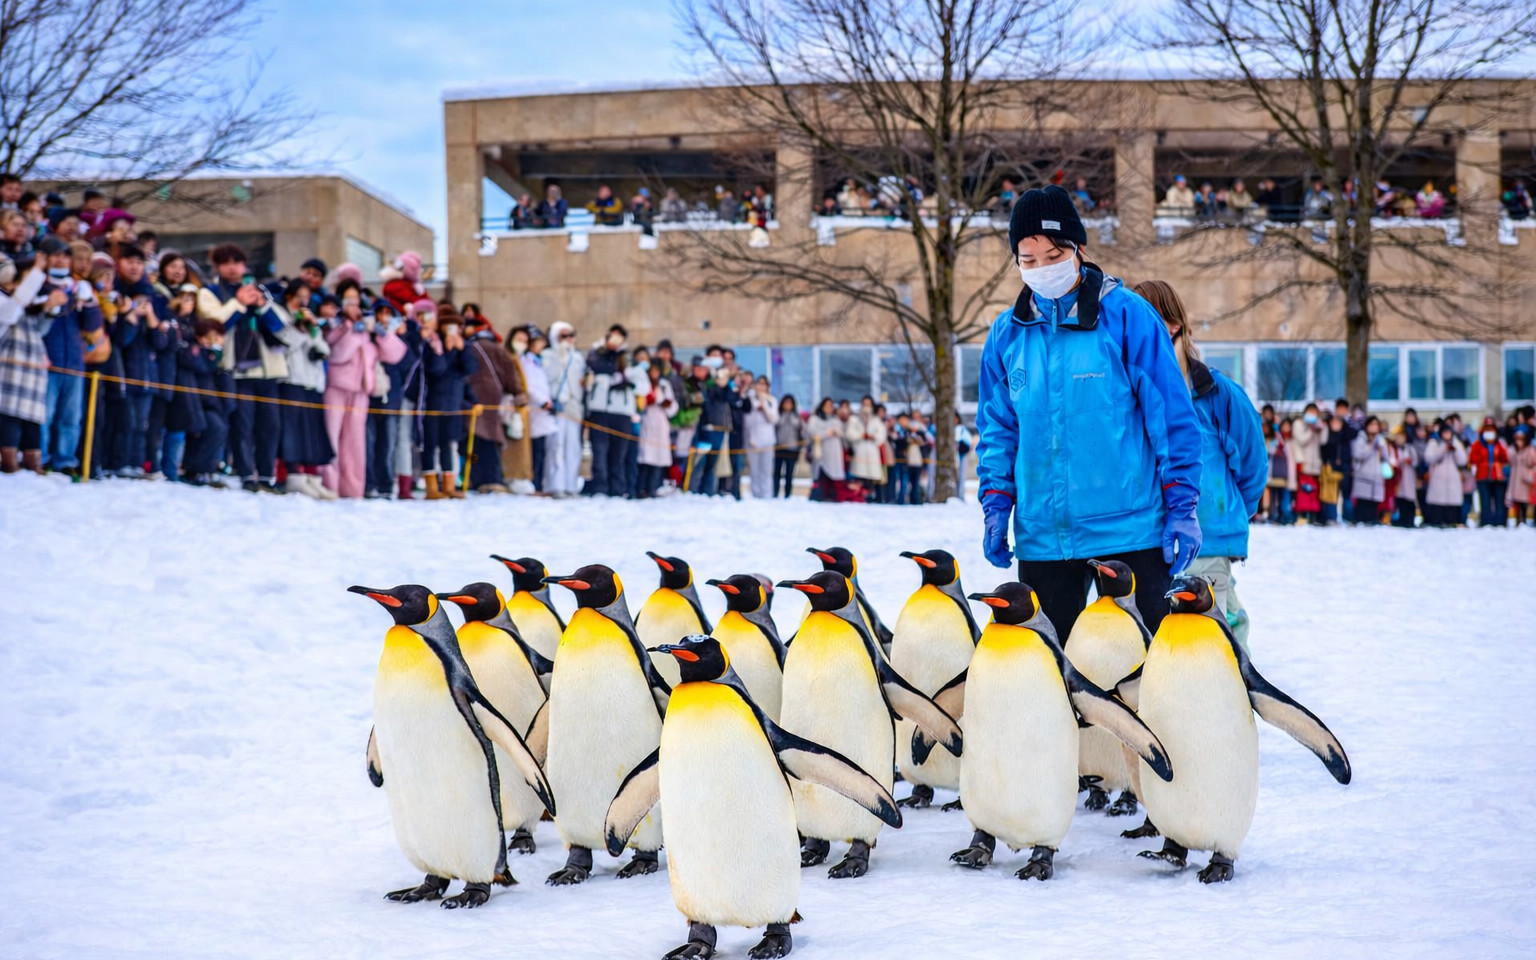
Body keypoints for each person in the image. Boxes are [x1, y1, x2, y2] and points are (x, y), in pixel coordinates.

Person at [976, 185, 1202, 639]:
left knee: (1141, 666)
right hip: (1044, 536)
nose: (1042, 268)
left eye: (1054, 255)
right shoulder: (1007, 334)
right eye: (1028, 259)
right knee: (1049, 666)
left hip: (1130, 534)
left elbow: (1171, 418)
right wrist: (996, 503)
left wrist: (1182, 505)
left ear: (1078, 249)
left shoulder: (1128, 317)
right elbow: (998, 431)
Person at [1135, 279, 1265, 648]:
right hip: (1139, 540)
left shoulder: (1215, 393)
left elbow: (1252, 465)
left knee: (1211, 648)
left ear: (1173, 326)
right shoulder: (1121, 392)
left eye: (1147, 321)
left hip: (1204, 542)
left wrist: (1222, 515)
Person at [195, 243, 287, 492]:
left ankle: (266, 476)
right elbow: (213, 325)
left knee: (271, 426)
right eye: (225, 263)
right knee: (243, 426)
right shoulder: (211, 292)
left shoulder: (260, 290)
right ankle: (247, 475)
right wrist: (238, 303)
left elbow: (282, 325)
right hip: (235, 371)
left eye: (237, 262)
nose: (232, 268)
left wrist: (262, 304)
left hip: (268, 370)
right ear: (217, 267)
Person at [322, 289, 406, 499]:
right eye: (349, 303)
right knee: (332, 437)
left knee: (355, 442)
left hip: (361, 390)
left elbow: (396, 355)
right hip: (337, 386)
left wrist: (382, 333)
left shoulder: (371, 333)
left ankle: (352, 489)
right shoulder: (339, 327)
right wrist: (353, 331)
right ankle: (329, 485)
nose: (355, 309)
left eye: (357, 304)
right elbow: (337, 354)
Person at [36, 235, 103, 474]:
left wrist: (91, 301)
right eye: (77, 259)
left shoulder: (79, 289)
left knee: (71, 418)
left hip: (74, 362)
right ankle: (41, 457)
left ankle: (65, 460)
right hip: (48, 360)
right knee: (45, 414)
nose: (82, 264)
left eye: (87, 260)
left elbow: (92, 326)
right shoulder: (41, 285)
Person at [275, 280, 335, 498]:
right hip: (292, 380)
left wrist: (312, 330)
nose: (303, 301)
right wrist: (299, 328)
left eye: (306, 296)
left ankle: (312, 477)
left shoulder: (311, 322)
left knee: (313, 432)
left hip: (313, 383)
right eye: (299, 295)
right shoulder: (283, 318)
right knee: (293, 431)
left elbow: (324, 349)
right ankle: (293, 475)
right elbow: (286, 344)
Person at [418, 302, 476, 499]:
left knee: (448, 444)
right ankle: (431, 487)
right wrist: (447, 351)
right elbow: (436, 370)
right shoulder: (434, 344)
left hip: (454, 404)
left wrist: (462, 349)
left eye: (455, 326)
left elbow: (469, 370)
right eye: (448, 325)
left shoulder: (463, 346)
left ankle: (449, 486)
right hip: (433, 402)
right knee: (430, 444)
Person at [463, 310, 526, 494]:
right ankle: (493, 477)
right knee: (491, 441)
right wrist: (518, 392)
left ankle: (479, 478)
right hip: (494, 399)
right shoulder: (498, 348)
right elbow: (510, 375)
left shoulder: (470, 347)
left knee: (475, 442)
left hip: (473, 398)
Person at [0, 256, 51, 474]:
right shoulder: (5, 301)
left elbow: (39, 330)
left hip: (31, 372)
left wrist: (50, 308)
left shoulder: (24, 303)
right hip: (9, 372)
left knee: (32, 419)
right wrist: (37, 271)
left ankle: (33, 463)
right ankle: (9, 463)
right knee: (8, 415)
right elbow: (10, 313)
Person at [580, 324, 635, 497]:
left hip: (622, 412)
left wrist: (626, 379)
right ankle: (599, 486)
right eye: (613, 335)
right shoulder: (595, 354)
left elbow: (639, 381)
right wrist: (607, 354)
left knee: (618, 454)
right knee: (599, 451)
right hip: (599, 410)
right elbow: (595, 368)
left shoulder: (627, 357)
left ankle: (617, 488)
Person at [178, 319, 234, 486]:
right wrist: (211, 356)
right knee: (212, 429)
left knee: (220, 430)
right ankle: (196, 470)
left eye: (217, 337)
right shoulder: (193, 351)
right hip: (195, 403)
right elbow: (201, 367)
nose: (213, 342)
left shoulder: (218, 355)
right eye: (210, 337)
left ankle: (209, 469)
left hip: (214, 403)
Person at [541, 321, 585, 496]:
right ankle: (555, 484)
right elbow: (547, 378)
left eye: (571, 335)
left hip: (573, 407)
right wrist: (559, 360)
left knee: (573, 447)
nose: (568, 339)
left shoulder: (578, 358)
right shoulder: (547, 355)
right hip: (556, 406)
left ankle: (571, 485)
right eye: (563, 336)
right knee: (555, 446)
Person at [513, 326, 554, 493]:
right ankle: (534, 483)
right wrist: (542, 402)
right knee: (534, 451)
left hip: (543, 411)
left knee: (541, 450)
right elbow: (529, 386)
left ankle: (539, 484)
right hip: (535, 410)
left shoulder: (537, 361)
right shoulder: (525, 361)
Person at [637, 360, 676, 497]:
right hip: (647, 421)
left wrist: (667, 404)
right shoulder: (644, 384)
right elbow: (640, 404)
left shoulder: (664, 385)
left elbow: (673, 407)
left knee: (658, 459)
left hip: (660, 423)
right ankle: (641, 488)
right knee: (645, 458)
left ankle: (653, 487)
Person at [1289, 402, 1328, 524]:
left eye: (1314, 412)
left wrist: (1323, 428)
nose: (1312, 414)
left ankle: (1312, 515)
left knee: (1314, 491)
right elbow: (1301, 440)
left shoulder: (1317, 425)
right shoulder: (1298, 423)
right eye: (1310, 411)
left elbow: (1323, 441)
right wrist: (1311, 429)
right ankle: (1302, 514)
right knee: (1303, 490)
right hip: (1303, 462)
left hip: (1315, 463)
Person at [1422, 423, 1468, 527]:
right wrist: (1443, 448)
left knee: (1452, 504)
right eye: (1445, 433)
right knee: (1438, 503)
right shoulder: (1435, 443)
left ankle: (1452, 522)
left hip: (1453, 479)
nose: (1447, 435)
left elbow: (1463, 461)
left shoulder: (1456, 443)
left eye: (1449, 433)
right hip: (1438, 478)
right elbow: (1429, 458)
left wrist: (1455, 449)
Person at [1467, 416, 1509, 527]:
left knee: (1499, 500)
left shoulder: (1499, 444)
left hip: (1497, 476)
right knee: (1485, 501)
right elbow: (1472, 459)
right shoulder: (1477, 445)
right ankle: (1486, 522)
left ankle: (1500, 522)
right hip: (1482, 476)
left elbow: (1505, 458)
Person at [743, 375, 779, 499]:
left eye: (764, 384)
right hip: (752, 439)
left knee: (766, 469)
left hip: (768, 440)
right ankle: (755, 493)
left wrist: (765, 408)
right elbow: (747, 419)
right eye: (759, 383)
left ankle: (766, 494)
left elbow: (774, 419)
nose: (761, 386)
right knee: (754, 469)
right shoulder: (750, 398)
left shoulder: (771, 400)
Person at [1349, 416, 1389, 525]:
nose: (1374, 427)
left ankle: (1373, 519)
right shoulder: (1361, 438)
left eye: (1376, 425)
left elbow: (1386, 457)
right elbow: (1358, 454)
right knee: (1363, 501)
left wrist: (1381, 448)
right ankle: (1360, 520)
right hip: (1363, 474)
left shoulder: (1381, 439)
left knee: (1374, 501)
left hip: (1376, 474)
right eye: (1372, 424)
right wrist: (1371, 446)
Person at [845, 395, 886, 500]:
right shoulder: (854, 419)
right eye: (864, 404)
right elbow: (849, 434)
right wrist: (861, 435)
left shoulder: (876, 420)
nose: (866, 407)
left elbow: (881, 436)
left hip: (872, 453)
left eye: (868, 404)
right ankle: (859, 497)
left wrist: (873, 437)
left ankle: (871, 497)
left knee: (871, 479)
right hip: (859, 452)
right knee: (859, 478)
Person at [805, 396, 846, 501]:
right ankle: (819, 495)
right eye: (826, 405)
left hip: (834, 452)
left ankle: (833, 495)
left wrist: (836, 432)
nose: (829, 408)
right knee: (820, 474)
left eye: (830, 405)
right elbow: (812, 432)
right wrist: (827, 433)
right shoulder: (815, 419)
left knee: (834, 475)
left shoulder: (835, 419)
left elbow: (842, 432)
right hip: (820, 451)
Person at [773, 394, 805, 497]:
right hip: (779, 447)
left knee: (789, 473)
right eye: (785, 403)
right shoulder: (778, 415)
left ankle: (787, 494)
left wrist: (791, 416)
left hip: (792, 449)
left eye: (789, 403)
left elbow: (800, 428)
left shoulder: (797, 417)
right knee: (777, 472)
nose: (787, 405)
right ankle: (775, 492)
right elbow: (777, 424)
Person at [1389, 428, 1419, 527]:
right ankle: (1401, 519)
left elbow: (1415, 462)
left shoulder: (1410, 448)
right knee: (1400, 499)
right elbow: (1392, 461)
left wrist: (1410, 461)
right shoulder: (1393, 449)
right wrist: (1401, 461)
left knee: (1410, 501)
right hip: (1398, 477)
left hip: (1408, 477)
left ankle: (1410, 520)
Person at [1506, 429, 1535, 525]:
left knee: (1525, 501)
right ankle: (1517, 520)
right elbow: (1508, 460)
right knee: (1515, 501)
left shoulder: (1530, 450)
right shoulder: (1512, 449)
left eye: (1521, 439)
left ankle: (1525, 520)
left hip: (1525, 478)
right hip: (1515, 478)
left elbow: (1532, 462)